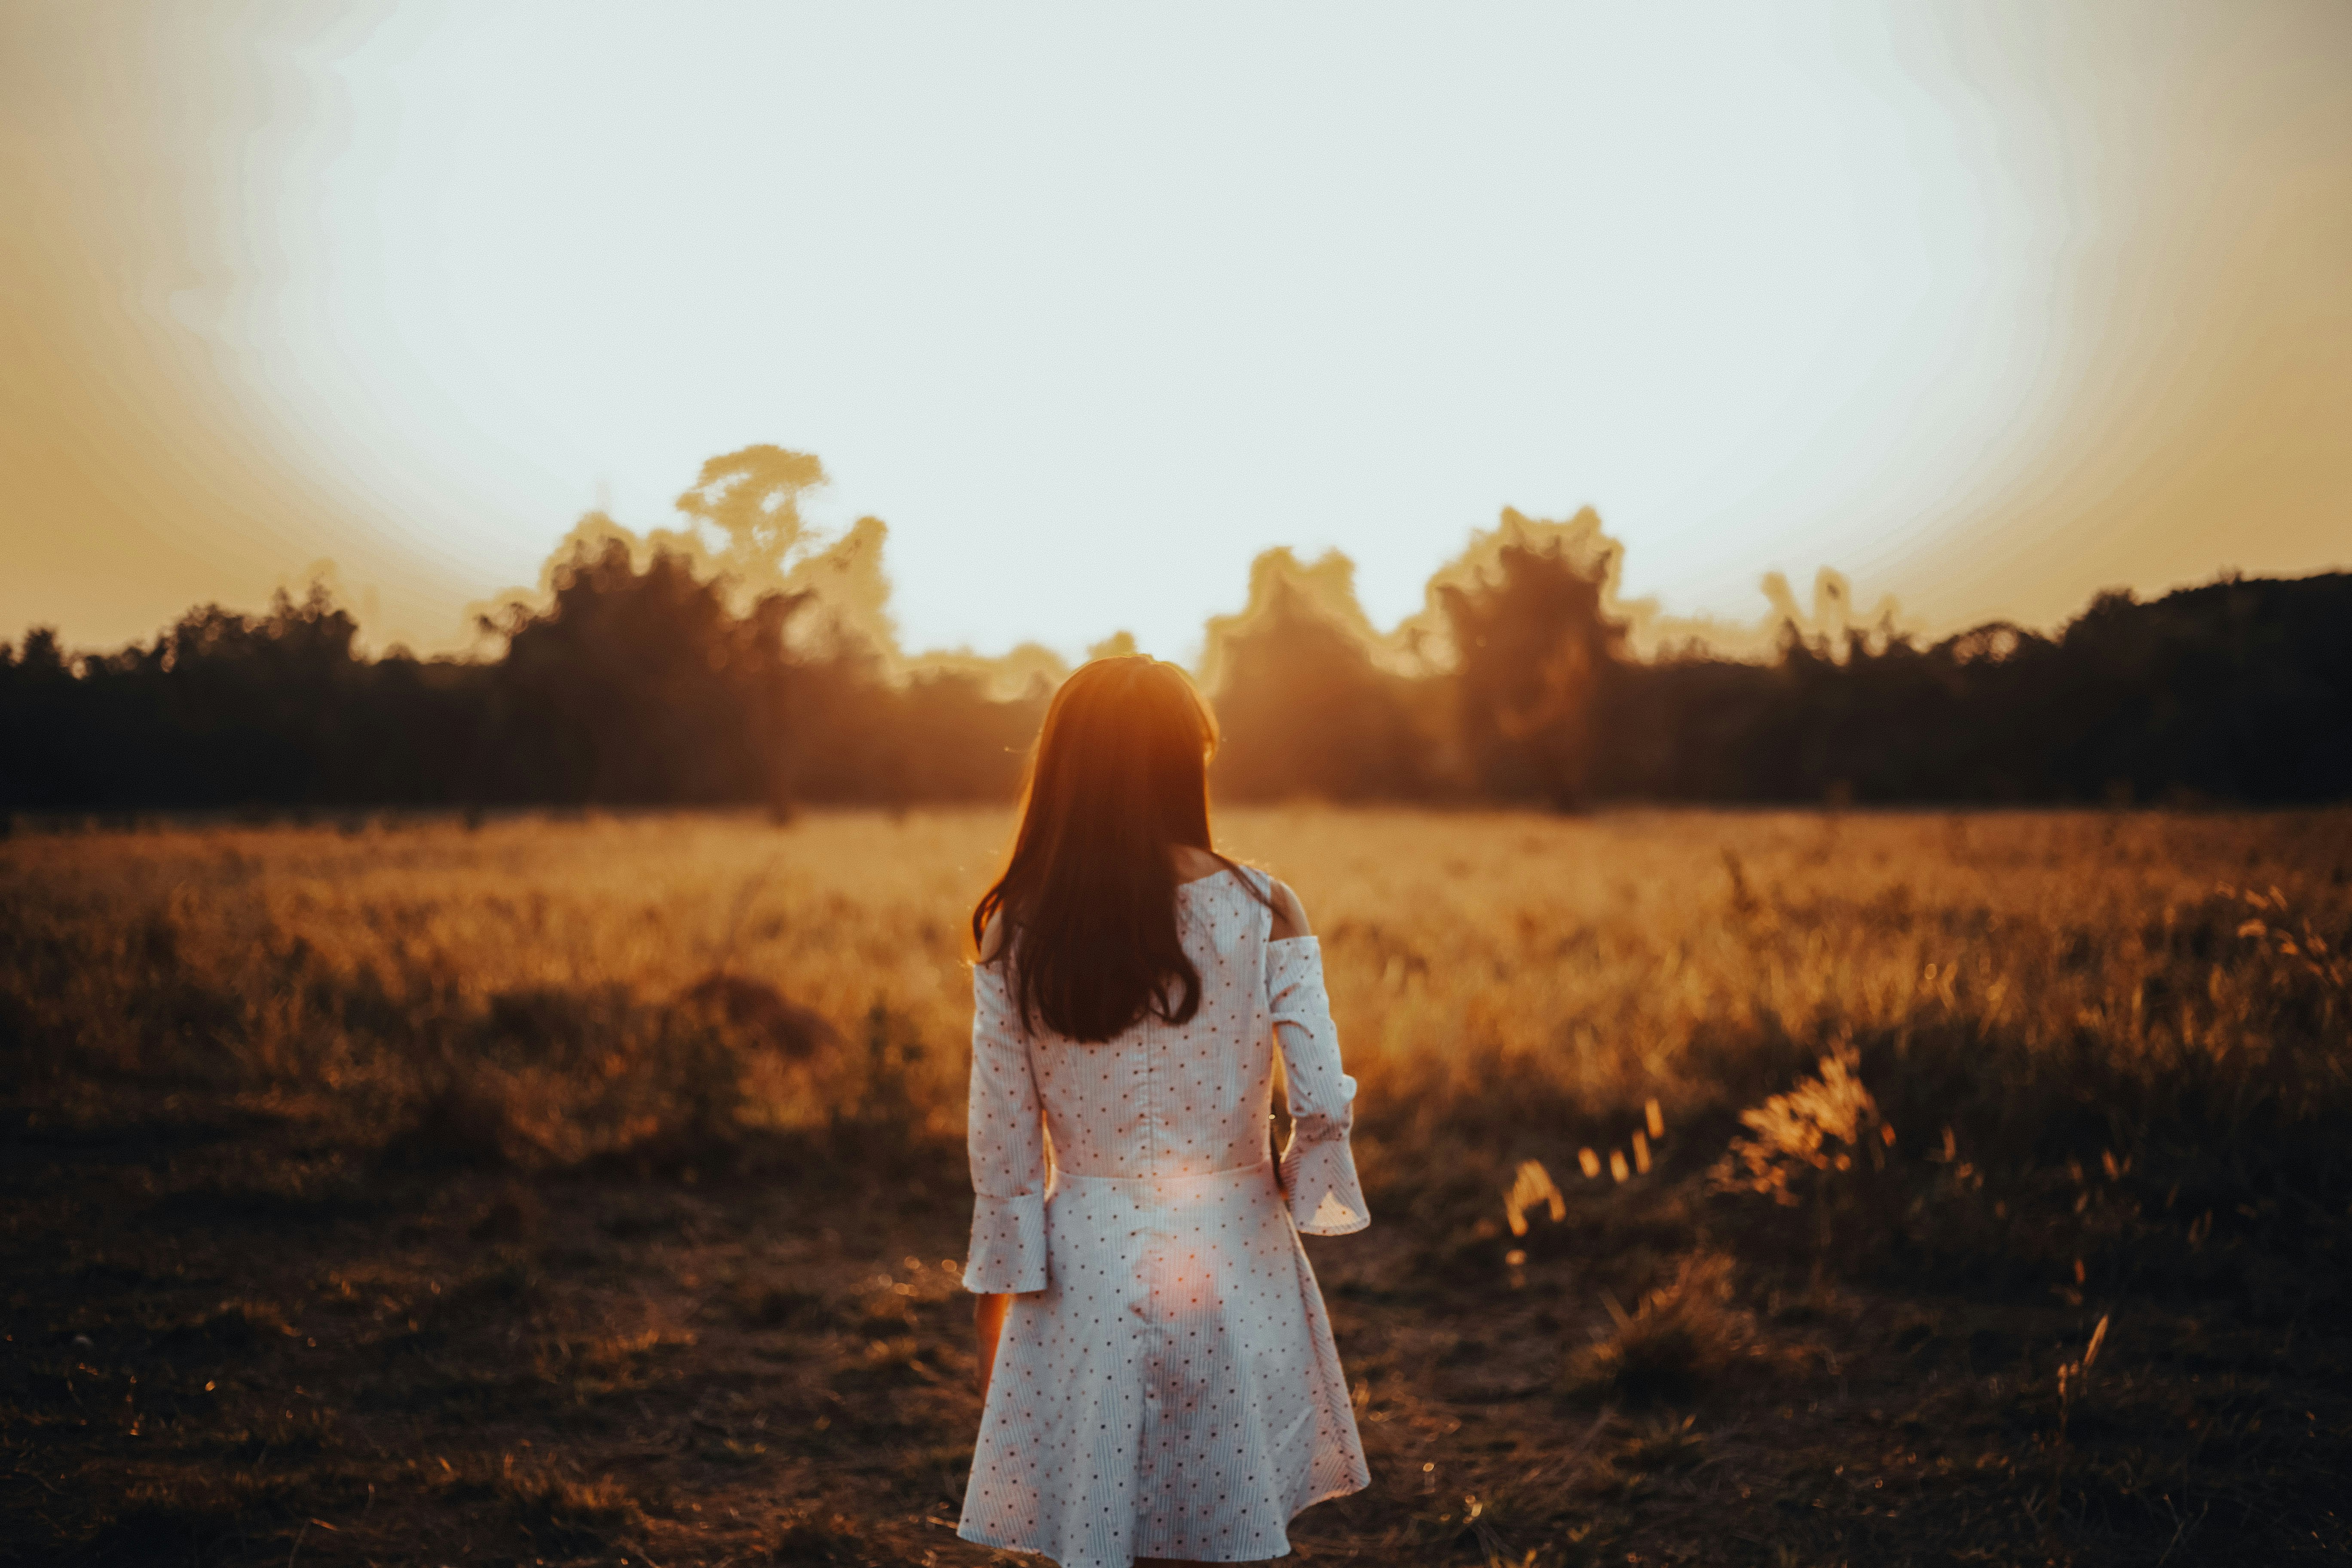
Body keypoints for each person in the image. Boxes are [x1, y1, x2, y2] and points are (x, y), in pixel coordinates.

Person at [956, 655, 1372, 1568]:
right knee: (1220, 1525)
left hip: (1081, 1269)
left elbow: (1004, 1150)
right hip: (1238, 1251)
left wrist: (1000, 1316)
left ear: (1062, 770)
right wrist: (1294, 1185)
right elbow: (1321, 1101)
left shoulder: (1015, 928)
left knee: (1106, 1530)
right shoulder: (1266, 906)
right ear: (1190, 762)